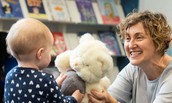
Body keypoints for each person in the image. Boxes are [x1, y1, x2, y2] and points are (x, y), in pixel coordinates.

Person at [88, 10, 172, 103]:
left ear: (158, 42)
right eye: (127, 38)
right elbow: (106, 97)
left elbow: (110, 99)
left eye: (139, 37)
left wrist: (111, 101)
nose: (131, 45)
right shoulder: (133, 69)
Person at [4, 18, 84, 103]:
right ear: (40, 53)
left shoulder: (10, 76)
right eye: (49, 51)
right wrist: (74, 99)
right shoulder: (45, 80)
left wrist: (54, 85)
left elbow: (31, 91)